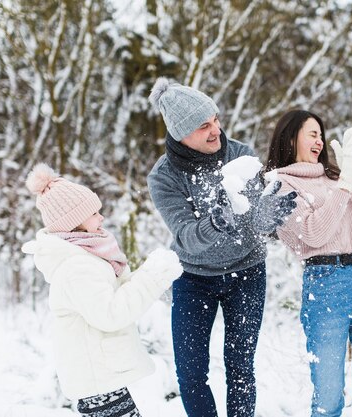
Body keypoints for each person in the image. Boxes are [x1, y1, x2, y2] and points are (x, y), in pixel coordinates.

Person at [146, 78, 297, 417]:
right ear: (181, 132)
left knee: (241, 366)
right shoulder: (164, 176)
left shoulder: (240, 155)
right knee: (191, 373)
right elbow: (185, 235)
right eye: (204, 126)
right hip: (193, 279)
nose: (216, 131)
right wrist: (214, 223)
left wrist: (266, 218)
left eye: (215, 120)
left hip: (246, 273)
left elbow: (256, 222)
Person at [263, 109, 352, 417]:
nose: (319, 141)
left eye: (321, 135)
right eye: (312, 134)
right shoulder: (279, 185)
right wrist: (344, 185)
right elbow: (315, 233)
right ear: (291, 137)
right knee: (328, 399)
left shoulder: (334, 176)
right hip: (326, 284)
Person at [21, 163, 182, 417]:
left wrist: (152, 272)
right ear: (75, 222)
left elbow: (113, 297)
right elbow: (111, 314)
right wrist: (152, 276)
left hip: (99, 377)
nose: (101, 218)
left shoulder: (86, 257)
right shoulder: (77, 267)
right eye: (94, 213)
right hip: (95, 379)